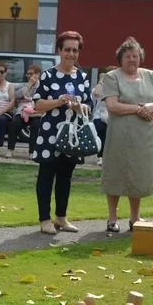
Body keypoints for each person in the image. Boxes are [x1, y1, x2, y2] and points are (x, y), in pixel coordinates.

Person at [100, 37, 153, 233]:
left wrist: (150, 106)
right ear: (120, 59)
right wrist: (139, 109)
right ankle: (112, 218)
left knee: (138, 175)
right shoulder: (112, 77)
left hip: (145, 136)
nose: (132, 59)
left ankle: (135, 217)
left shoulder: (149, 75)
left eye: (135, 56)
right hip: (121, 135)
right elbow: (112, 106)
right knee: (116, 173)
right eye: (128, 56)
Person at [32, 31, 93, 235]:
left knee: (66, 177)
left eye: (75, 50)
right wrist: (59, 101)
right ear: (59, 50)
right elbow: (38, 104)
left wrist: (78, 107)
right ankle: (44, 219)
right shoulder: (48, 75)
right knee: (46, 176)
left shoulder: (82, 77)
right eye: (67, 49)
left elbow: (90, 107)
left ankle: (61, 217)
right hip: (50, 133)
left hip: (73, 134)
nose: (71, 54)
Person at [6, 64, 41, 159]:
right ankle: (10, 149)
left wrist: (28, 99)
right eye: (27, 74)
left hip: (35, 113)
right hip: (22, 112)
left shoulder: (42, 86)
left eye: (31, 74)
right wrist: (29, 84)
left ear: (37, 74)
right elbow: (17, 95)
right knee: (14, 124)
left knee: (36, 125)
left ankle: (32, 152)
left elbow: (40, 99)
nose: (29, 76)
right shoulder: (24, 85)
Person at [90, 66, 116, 167]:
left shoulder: (118, 87)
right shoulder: (101, 87)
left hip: (114, 116)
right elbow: (96, 93)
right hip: (100, 116)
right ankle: (101, 157)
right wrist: (101, 80)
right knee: (101, 129)